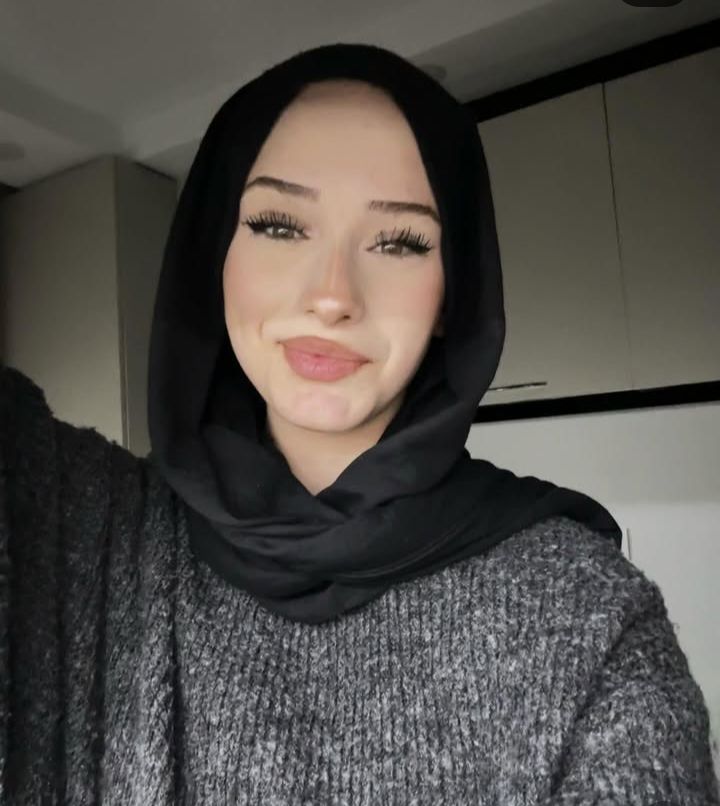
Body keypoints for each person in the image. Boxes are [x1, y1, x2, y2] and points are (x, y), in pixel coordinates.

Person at [0, 42, 717, 805]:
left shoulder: (586, 618)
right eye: (280, 225)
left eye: (399, 242)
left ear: (454, 294)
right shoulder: (80, 525)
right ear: (215, 255)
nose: (333, 295)